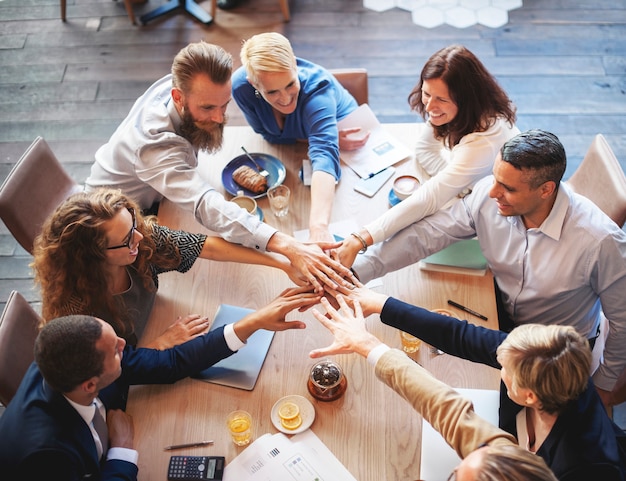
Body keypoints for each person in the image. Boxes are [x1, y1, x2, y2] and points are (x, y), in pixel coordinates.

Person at [349, 129, 626, 407]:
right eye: (496, 178)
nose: (492, 192)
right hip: (498, 317)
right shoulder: (489, 196)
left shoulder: (601, 241)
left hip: (552, 352)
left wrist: (603, 383)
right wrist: (357, 270)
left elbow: (623, 321)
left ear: (546, 189)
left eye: (508, 188)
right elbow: (428, 234)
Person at [84, 40, 351, 292]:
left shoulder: (177, 87)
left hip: (158, 198)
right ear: (178, 97)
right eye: (208, 107)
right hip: (111, 229)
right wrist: (287, 244)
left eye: (224, 105)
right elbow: (204, 204)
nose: (219, 117)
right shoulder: (152, 146)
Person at [0, 288, 319, 480]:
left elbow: (170, 363)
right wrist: (121, 451)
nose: (126, 344)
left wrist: (254, 322)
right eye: (116, 350)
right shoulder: (45, 456)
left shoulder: (62, 363)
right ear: (89, 385)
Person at [321, 279, 626, 480]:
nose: (499, 365)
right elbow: (460, 339)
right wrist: (380, 308)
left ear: (530, 396)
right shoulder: (543, 363)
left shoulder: (586, 467)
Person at [309, 295, 559, 481]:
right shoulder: (507, 460)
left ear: (530, 395)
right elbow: (448, 410)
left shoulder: (582, 462)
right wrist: (369, 345)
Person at [32, 188, 304, 349]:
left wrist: (281, 263)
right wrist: (159, 345)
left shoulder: (138, 240)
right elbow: (106, 373)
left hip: (156, 326)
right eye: (127, 239)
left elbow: (203, 246)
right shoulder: (76, 309)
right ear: (91, 258)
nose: (139, 237)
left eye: (134, 225)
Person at [338, 44, 519, 267]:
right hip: (469, 205)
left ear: (466, 100)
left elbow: (430, 198)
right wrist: (457, 183)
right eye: (426, 93)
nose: (430, 106)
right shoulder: (462, 115)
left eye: (442, 99)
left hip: (498, 229)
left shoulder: (485, 142)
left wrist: (360, 238)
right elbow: (425, 149)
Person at [232, 32, 370, 243]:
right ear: (254, 84)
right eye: (272, 92)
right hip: (322, 140)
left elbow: (324, 154)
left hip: (349, 141)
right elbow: (266, 134)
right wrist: (313, 138)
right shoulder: (241, 88)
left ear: (295, 66)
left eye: (290, 84)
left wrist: (318, 228)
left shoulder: (318, 89)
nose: (286, 99)